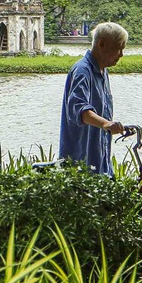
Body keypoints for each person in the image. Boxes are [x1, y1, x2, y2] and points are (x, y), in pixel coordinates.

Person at [58, 22, 128, 176]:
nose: (121, 54)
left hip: (100, 162)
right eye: (118, 48)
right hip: (81, 164)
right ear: (101, 44)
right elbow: (79, 110)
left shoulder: (103, 72)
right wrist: (106, 123)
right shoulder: (82, 70)